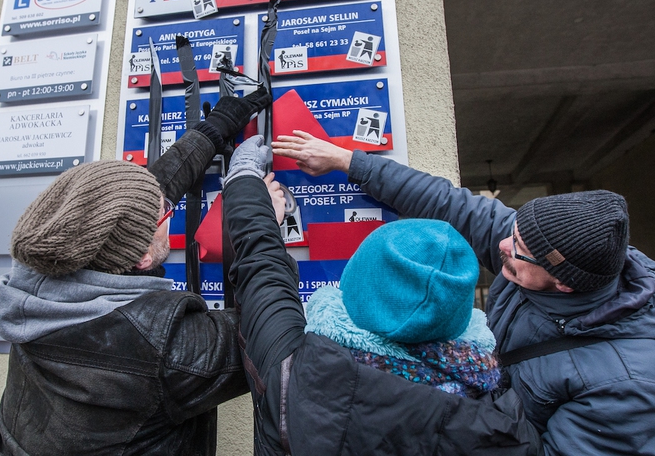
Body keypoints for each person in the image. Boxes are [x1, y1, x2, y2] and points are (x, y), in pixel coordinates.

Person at [271, 130, 655, 455]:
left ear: (564, 283)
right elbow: (448, 203)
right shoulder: (545, 250)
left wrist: (440, 420)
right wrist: (348, 161)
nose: (502, 245)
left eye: (517, 249)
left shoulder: (631, 387)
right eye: (513, 232)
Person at [0, 89, 271, 455]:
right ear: (140, 259)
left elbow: (127, 207)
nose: (166, 214)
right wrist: (255, 207)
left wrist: (214, 128)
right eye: (164, 217)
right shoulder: (164, 348)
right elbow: (268, 333)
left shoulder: (35, 289)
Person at [222, 136, 541, 455]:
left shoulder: (300, 373)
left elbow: (263, 272)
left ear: (354, 290)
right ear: (459, 317)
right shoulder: (507, 424)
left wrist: (244, 181)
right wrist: (349, 161)